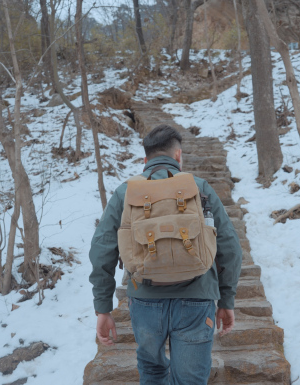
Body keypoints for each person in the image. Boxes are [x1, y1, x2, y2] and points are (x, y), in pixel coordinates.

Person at [89, 124, 243, 384]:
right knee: (190, 379)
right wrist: (226, 300)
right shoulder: (199, 187)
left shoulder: (126, 192)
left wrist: (103, 308)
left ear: (145, 160)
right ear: (178, 156)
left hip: (145, 301)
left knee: (152, 371)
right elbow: (229, 247)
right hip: (197, 299)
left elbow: (102, 249)